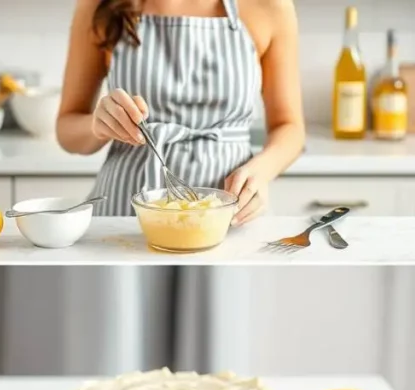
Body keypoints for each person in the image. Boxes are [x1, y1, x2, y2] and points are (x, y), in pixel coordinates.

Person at [57, 0, 304, 225]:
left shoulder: (270, 7)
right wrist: (96, 126)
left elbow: (290, 127)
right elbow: (67, 128)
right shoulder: (97, 6)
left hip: (227, 215)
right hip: (123, 213)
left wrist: (260, 172)